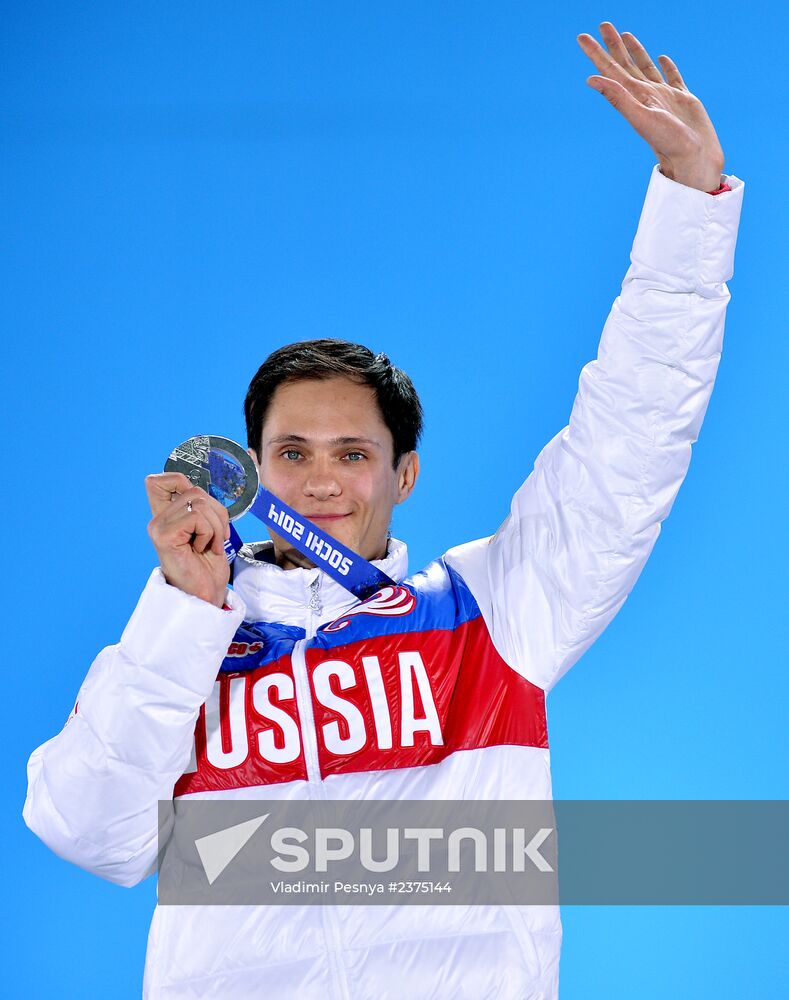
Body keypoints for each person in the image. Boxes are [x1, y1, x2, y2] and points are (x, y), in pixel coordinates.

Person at [23, 22, 744, 1000]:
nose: (321, 483)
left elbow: (631, 435)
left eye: (353, 454)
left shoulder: (495, 612)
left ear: (404, 475)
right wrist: (182, 611)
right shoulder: (195, 634)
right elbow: (89, 834)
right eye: (292, 454)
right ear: (254, 469)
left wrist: (691, 203)